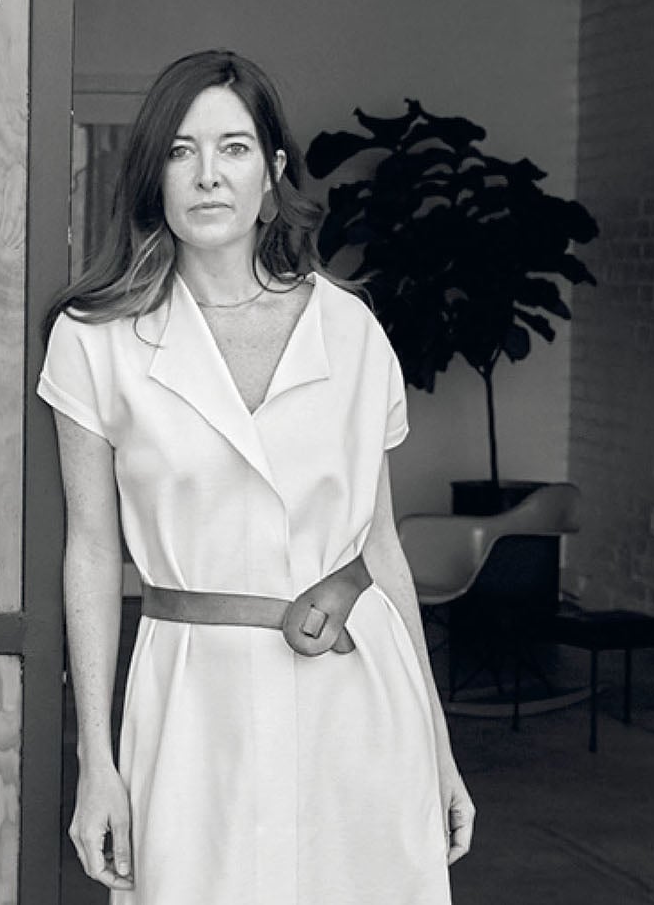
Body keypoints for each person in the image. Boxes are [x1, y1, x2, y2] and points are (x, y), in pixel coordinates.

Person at [41, 50, 473, 904]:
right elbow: (91, 551)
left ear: (272, 175)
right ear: (152, 174)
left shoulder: (349, 330)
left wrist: (438, 742)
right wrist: (98, 758)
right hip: (194, 700)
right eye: (180, 150)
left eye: (234, 149)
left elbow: (378, 544)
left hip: (359, 689)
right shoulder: (96, 340)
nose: (208, 175)